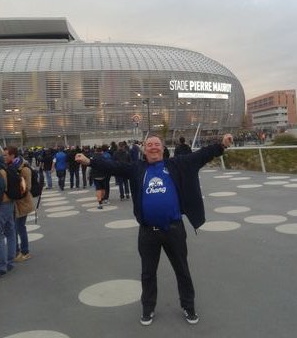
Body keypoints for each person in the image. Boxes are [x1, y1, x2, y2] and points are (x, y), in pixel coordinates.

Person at [76, 133, 233, 325]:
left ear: (163, 148)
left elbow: (200, 155)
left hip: (174, 229)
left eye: (156, 144)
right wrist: (89, 161)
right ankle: (148, 308)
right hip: (148, 232)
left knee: (182, 270)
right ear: (144, 149)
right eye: (149, 144)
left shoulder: (176, 165)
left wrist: (221, 145)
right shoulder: (137, 169)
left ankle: (188, 306)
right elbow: (114, 166)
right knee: (148, 273)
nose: (153, 147)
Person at [3, 146, 34, 262]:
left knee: (19, 227)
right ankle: (16, 251)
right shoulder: (8, 167)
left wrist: (15, 191)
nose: (4, 157)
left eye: (6, 154)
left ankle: (25, 252)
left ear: (12, 155)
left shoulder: (24, 169)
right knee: (14, 228)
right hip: (13, 203)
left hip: (22, 203)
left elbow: (28, 187)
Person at [0, 154, 16, 277]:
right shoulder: (7, 168)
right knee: (10, 232)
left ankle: (1, 266)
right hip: (10, 203)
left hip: (1, 205)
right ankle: (10, 261)